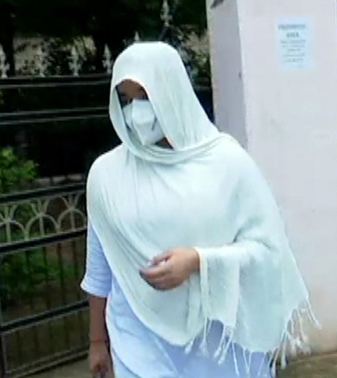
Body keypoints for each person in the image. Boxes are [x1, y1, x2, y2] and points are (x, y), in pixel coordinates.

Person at [81, 42, 315, 378]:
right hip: (138, 343)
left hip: (218, 346)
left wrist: (199, 261)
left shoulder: (227, 164)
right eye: (126, 99)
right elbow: (100, 266)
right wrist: (97, 341)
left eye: (144, 96)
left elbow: (268, 250)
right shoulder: (107, 175)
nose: (136, 112)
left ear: (172, 91)